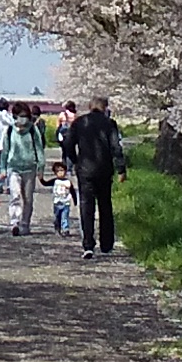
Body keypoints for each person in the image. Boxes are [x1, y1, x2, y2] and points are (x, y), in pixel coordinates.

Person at [64, 95, 128, 257]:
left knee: (86, 206)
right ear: (105, 108)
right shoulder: (109, 124)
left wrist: (75, 161)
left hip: (85, 170)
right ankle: (106, 244)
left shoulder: (79, 122)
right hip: (104, 169)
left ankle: (88, 244)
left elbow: (68, 144)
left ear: (89, 106)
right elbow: (116, 146)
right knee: (105, 205)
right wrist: (121, 168)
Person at [0, 99, 47, 234]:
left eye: (25, 115)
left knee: (28, 198)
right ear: (14, 116)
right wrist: (2, 168)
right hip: (13, 167)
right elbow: (5, 150)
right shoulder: (9, 131)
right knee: (15, 194)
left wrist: (41, 167)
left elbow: (39, 149)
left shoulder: (33, 130)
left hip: (30, 168)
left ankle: (25, 223)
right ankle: (15, 222)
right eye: (20, 115)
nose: (23, 119)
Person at [48, 160, 74, 236]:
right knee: (57, 217)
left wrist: (75, 201)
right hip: (57, 203)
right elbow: (46, 183)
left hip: (66, 203)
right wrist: (41, 179)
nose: (60, 173)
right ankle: (57, 228)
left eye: (62, 171)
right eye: (58, 171)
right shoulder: (55, 181)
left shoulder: (67, 182)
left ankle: (65, 229)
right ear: (55, 173)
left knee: (65, 216)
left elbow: (72, 191)